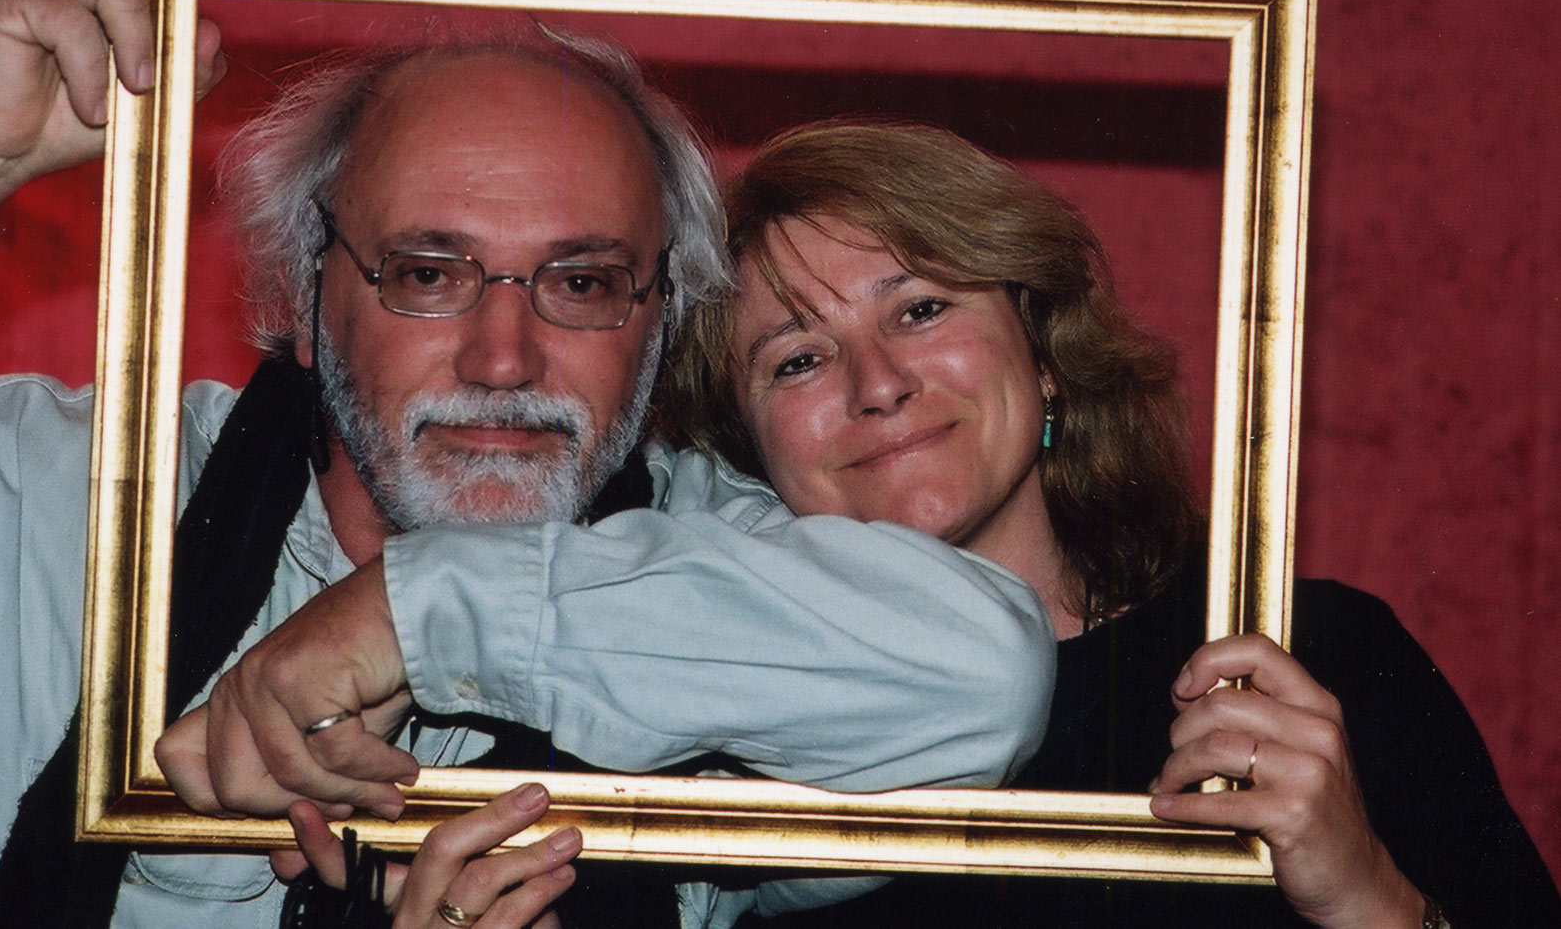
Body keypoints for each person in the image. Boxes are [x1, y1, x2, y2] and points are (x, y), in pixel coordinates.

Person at [0, 0, 1056, 928]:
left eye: (582, 283)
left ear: (659, 321)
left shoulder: (719, 558)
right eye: (429, 273)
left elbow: (982, 678)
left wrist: (418, 615)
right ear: (299, 294)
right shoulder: (44, 501)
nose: (503, 357)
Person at [662, 120, 1561, 929]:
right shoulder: (710, 743)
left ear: (1043, 350)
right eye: (799, 359)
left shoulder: (1306, 658)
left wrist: (1366, 896)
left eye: (921, 309)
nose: (878, 383)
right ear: (746, 444)